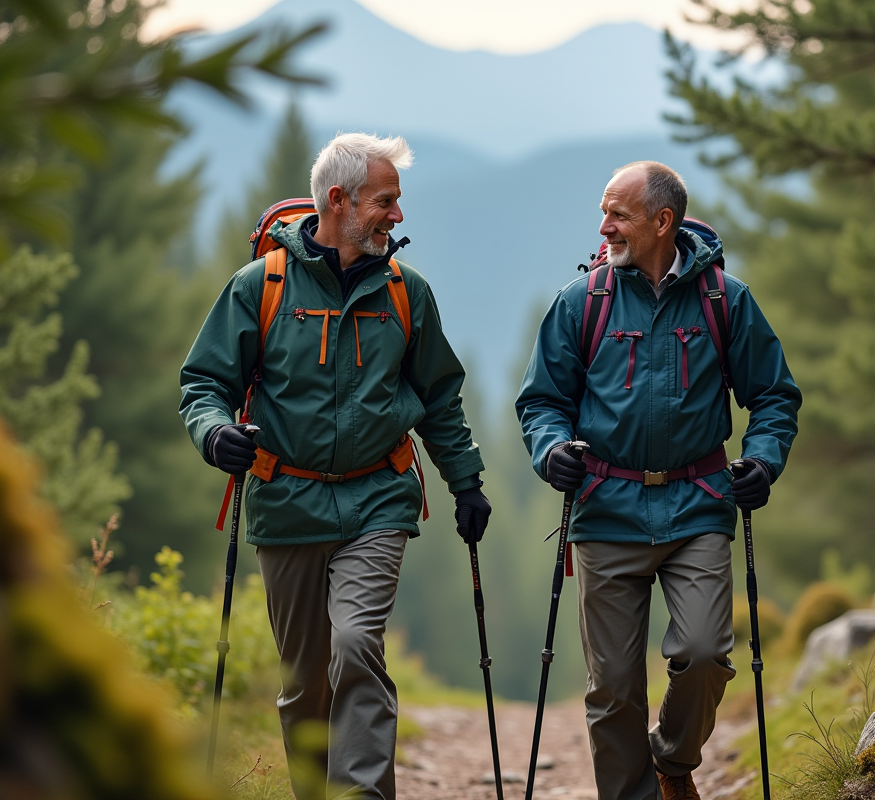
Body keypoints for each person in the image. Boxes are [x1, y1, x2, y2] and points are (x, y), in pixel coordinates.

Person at [179, 133, 491, 800]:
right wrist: (214, 436)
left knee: (356, 644)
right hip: (284, 501)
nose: (397, 216)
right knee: (306, 679)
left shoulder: (408, 294)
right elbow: (204, 384)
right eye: (387, 201)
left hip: (378, 497)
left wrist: (466, 483)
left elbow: (439, 398)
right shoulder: (259, 287)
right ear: (339, 201)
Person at [516, 161, 800, 800]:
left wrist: (761, 460)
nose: (604, 226)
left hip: (697, 504)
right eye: (603, 211)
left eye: (617, 213)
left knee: (705, 654)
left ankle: (673, 761)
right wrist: (551, 448)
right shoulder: (581, 300)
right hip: (604, 506)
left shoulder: (725, 300)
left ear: (662, 222)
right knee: (613, 688)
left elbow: (775, 396)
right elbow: (540, 401)